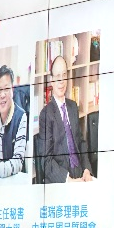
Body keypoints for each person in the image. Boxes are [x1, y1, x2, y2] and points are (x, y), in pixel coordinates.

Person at [39, 55, 93, 183]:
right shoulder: (46, 114)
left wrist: (86, 170)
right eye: (57, 76)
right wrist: (68, 180)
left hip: (80, 174)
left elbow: (81, 142)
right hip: (61, 178)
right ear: (51, 80)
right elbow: (46, 160)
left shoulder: (73, 106)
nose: (61, 81)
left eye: (64, 75)